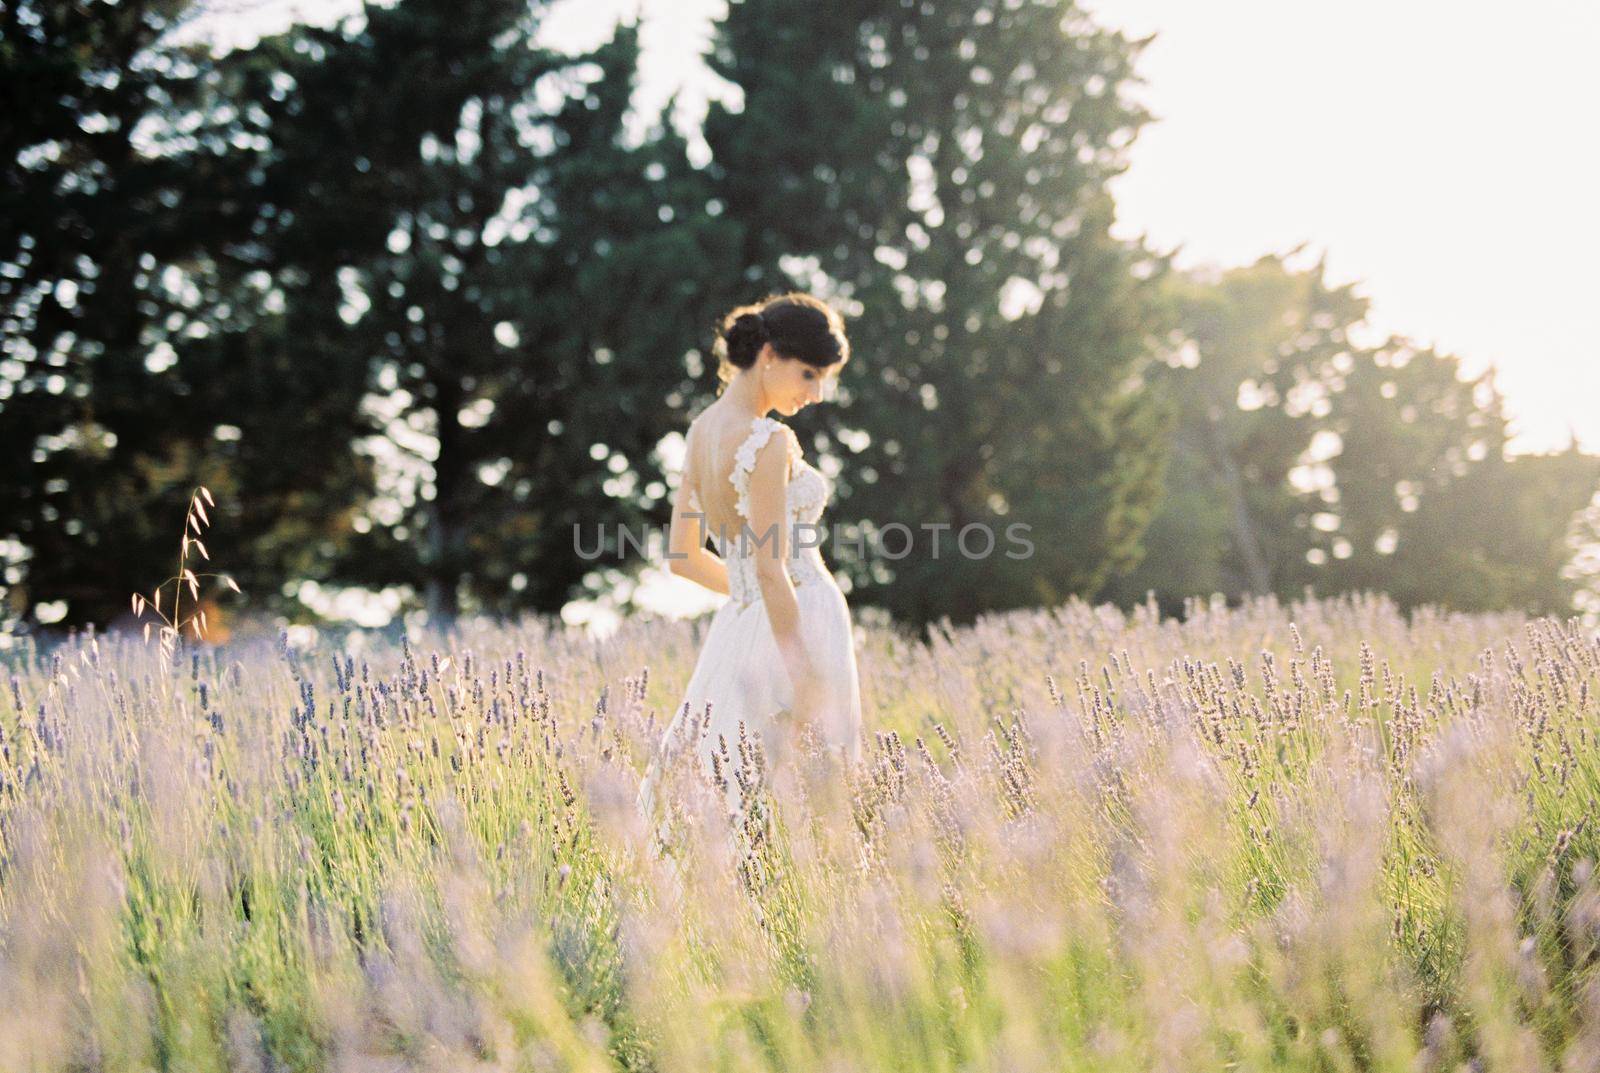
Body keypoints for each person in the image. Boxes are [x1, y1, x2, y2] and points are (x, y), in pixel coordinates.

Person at [636, 293, 864, 841]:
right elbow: (771, 567)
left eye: (824, 379)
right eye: (808, 374)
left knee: (727, 778)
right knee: (802, 795)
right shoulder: (770, 439)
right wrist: (803, 673)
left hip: (740, 627)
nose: (816, 393)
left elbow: (683, 557)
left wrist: (745, 595)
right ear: (768, 354)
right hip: (797, 617)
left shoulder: (699, 433)